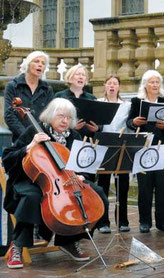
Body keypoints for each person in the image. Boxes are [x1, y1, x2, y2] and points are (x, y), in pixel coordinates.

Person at [2, 98, 109, 269]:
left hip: (66, 182)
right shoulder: (34, 131)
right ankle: (17, 245)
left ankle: (69, 241)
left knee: (98, 194)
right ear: (51, 116)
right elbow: (8, 157)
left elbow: (83, 165)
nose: (65, 121)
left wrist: (82, 176)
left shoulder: (74, 136)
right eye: (61, 116)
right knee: (31, 197)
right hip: (32, 180)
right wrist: (30, 145)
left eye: (68, 117)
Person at [126, 70, 164, 233]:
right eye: (151, 82)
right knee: (145, 185)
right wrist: (134, 122)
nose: (155, 85)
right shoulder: (137, 101)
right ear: (145, 85)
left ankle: (163, 222)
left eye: (157, 82)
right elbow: (129, 122)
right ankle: (145, 222)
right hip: (144, 146)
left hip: (163, 145)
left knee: (163, 185)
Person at [96, 75, 132, 234]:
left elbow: (129, 125)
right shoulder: (99, 103)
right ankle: (103, 222)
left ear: (119, 87)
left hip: (121, 146)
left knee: (122, 185)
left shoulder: (127, 105)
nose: (112, 86)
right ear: (105, 85)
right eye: (109, 83)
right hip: (103, 145)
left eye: (115, 83)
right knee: (103, 184)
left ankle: (123, 220)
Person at [4, 50, 54, 141]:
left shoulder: (47, 90)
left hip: (40, 138)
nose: (40, 65)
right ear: (28, 64)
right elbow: (9, 115)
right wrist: (26, 135)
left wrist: (40, 136)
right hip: (17, 138)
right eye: (36, 61)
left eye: (43, 63)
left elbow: (49, 117)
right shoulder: (13, 86)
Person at [54, 64, 99, 139]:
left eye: (83, 75)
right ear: (70, 77)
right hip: (65, 138)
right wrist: (71, 127)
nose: (81, 77)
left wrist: (97, 128)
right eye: (77, 74)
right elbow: (53, 119)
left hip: (87, 139)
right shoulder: (60, 96)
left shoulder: (91, 98)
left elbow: (99, 119)